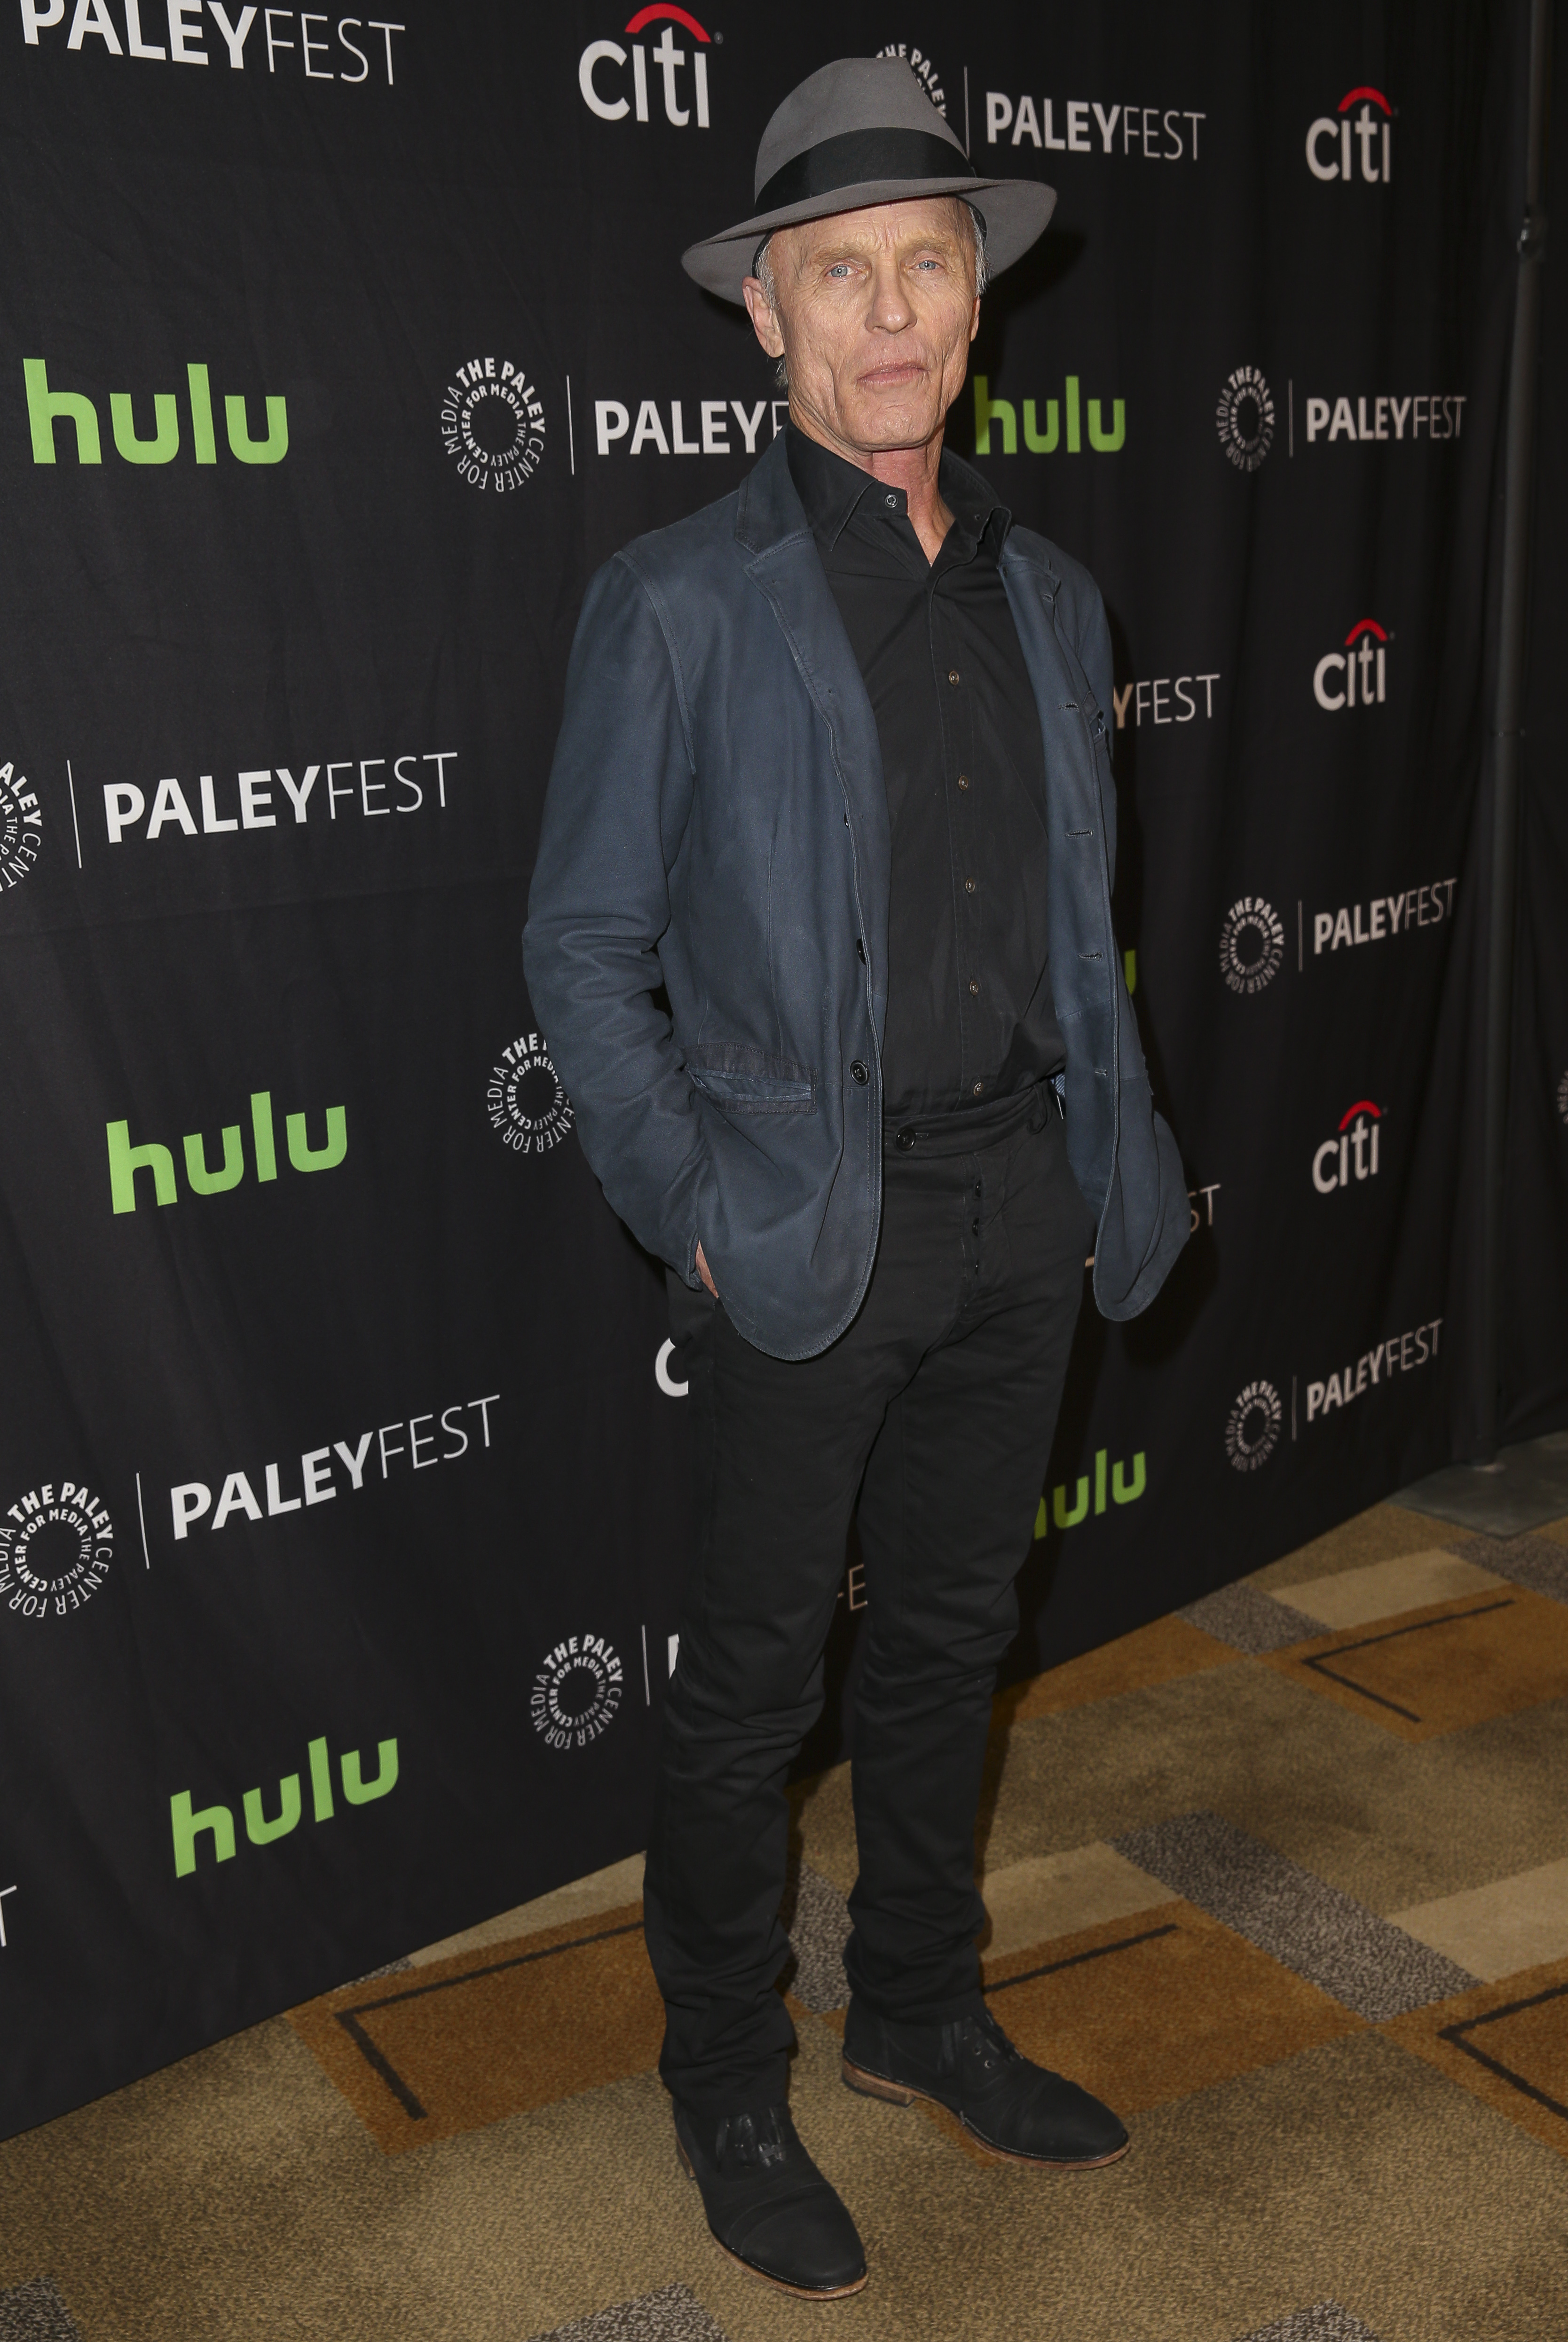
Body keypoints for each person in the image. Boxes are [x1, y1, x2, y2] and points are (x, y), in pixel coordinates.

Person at [524, 55, 1187, 2303]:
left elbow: (1075, 918)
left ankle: (915, 2006)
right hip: (807, 1229)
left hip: (1027, 1207)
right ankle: (729, 2072)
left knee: (957, 1645)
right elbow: (583, 945)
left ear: (979, 300)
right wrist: (693, 1203)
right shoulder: (678, 603)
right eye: (843, 275)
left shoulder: (1052, 596)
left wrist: (1096, 1168)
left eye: (929, 265)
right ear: (769, 317)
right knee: (749, 1697)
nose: (891, 313)